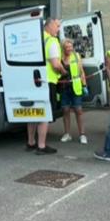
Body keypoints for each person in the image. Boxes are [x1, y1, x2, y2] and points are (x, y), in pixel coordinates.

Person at [26, 18, 67, 155]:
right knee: (44, 114)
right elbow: (55, 64)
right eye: (57, 26)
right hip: (47, 82)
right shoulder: (52, 41)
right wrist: (63, 71)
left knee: (33, 113)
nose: (59, 29)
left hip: (32, 80)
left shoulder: (34, 39)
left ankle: (31, 142)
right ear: (49, 26)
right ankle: (41, 146)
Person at [59, 39, 89, 144]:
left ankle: (82, 134)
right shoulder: (60, 58)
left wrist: (84, 85)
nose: (69, 49)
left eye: (71, 46)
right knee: (65, 111)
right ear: (63, 48)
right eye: (67, 47)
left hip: (76, 87)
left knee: (78, 110)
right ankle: (67, 134)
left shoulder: (76, 56)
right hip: (63, 87)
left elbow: (81, 72)